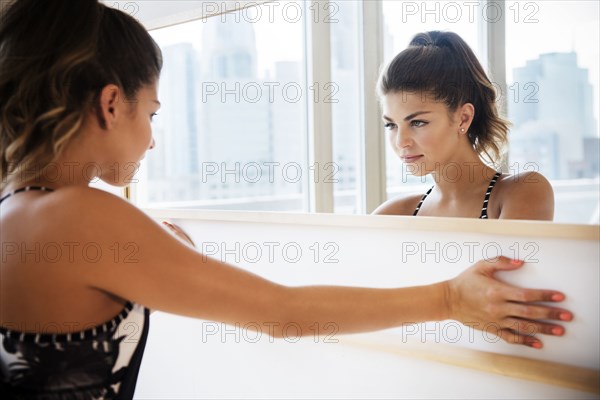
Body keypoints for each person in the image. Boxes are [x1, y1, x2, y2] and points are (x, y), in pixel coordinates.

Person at [0, 1, 572, 398]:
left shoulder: (19, 209)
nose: (152, 136)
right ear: (109, 104)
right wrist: (450, 298)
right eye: (150, 113)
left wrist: (150, 250)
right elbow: (284, 315)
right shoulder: (80, 215)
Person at [373, 31, 554, 220]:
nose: (401, 142)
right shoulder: (395, 213)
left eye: (417, 122)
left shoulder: (522, 191)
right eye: (391, 125)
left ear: (464, 118)